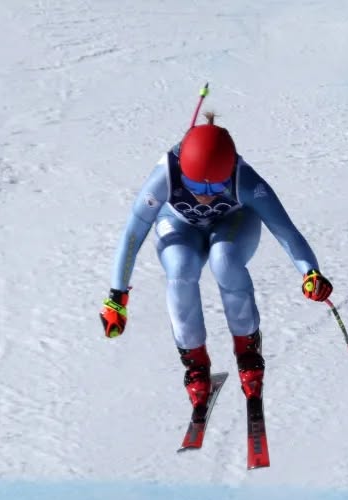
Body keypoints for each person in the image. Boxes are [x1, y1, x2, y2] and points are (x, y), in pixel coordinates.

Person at [99, 112, 334, 410]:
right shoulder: (164, 177)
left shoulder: (245, 180)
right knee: (180, 269)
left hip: (233, 222)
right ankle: (195, 363)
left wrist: (310, 272)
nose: (206, 197)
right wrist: (117, 296)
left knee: (225, 260)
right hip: (179, 225)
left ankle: (247, 352)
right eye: (197, 187)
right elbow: (133, 233)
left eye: (215, 188)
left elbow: (284, 229)